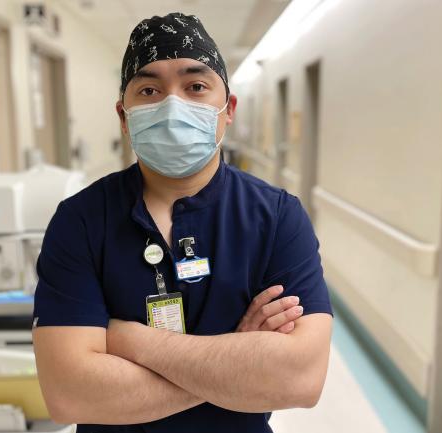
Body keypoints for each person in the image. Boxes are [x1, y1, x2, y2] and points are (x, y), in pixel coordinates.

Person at [32, 12, 333, 433]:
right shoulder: (81, 220)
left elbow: (300, 380)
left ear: (226, 110)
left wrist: (131, 341)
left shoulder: (277, 217)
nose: (173, 106)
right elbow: (69, 395)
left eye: (195, 86)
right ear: (124, 116)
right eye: (150, 89)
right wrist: (239, 360)